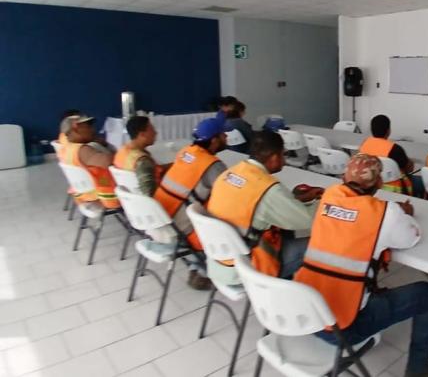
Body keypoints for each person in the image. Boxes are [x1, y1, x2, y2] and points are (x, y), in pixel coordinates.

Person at [295, 154, 428, 377]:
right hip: (342, 328)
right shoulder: (385, 213)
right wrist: (401, 214)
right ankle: (419, 370)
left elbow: (354, 211)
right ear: (379, 183)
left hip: (307, 314)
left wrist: (392, 210)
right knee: (426, 294)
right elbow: (411, 238)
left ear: (343, 177)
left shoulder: (329, 196)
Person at [206, 131, 323, 285]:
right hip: (249, 267)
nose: (284, 160)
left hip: (221, 261)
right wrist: (323, 201)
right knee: (317, 246)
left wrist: (298, 200)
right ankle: (292, 292)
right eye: (284, 154)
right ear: (274, 157)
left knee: (285, 229)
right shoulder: (268, 189)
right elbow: (307, 220)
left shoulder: (230, 173)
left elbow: (256, 205)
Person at [153, 117, 228, 290]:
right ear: (215, 140)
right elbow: (231, 195)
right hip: (183, 226)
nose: (226, 136)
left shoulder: (187, 151)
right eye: (223, 134)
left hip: (163, 216)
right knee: (233, 221)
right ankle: (201, 271)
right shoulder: (212, 165)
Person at [61, 115, 120, 210]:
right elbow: (110, 161)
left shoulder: (68, 148)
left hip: (84, 193)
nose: (92, 130)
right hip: (104, 194)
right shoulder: (83, 150)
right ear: (76, 128)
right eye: (88, 126)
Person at [359, 114, 419, 196]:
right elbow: (409, 169)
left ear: (371, 129)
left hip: (370, 186)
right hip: (394, 189)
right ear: (388, 131)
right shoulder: (395, 149)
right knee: (420, 182)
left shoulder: (364, 144)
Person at [113, 116, 168, 196]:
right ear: (142, 134)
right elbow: (149, 193)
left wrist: (176, 164)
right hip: (157, 203)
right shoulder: (142, 160)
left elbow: (152, 170)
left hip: (133, 200)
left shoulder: (122, 152)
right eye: (152, 130)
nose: (155, 133)